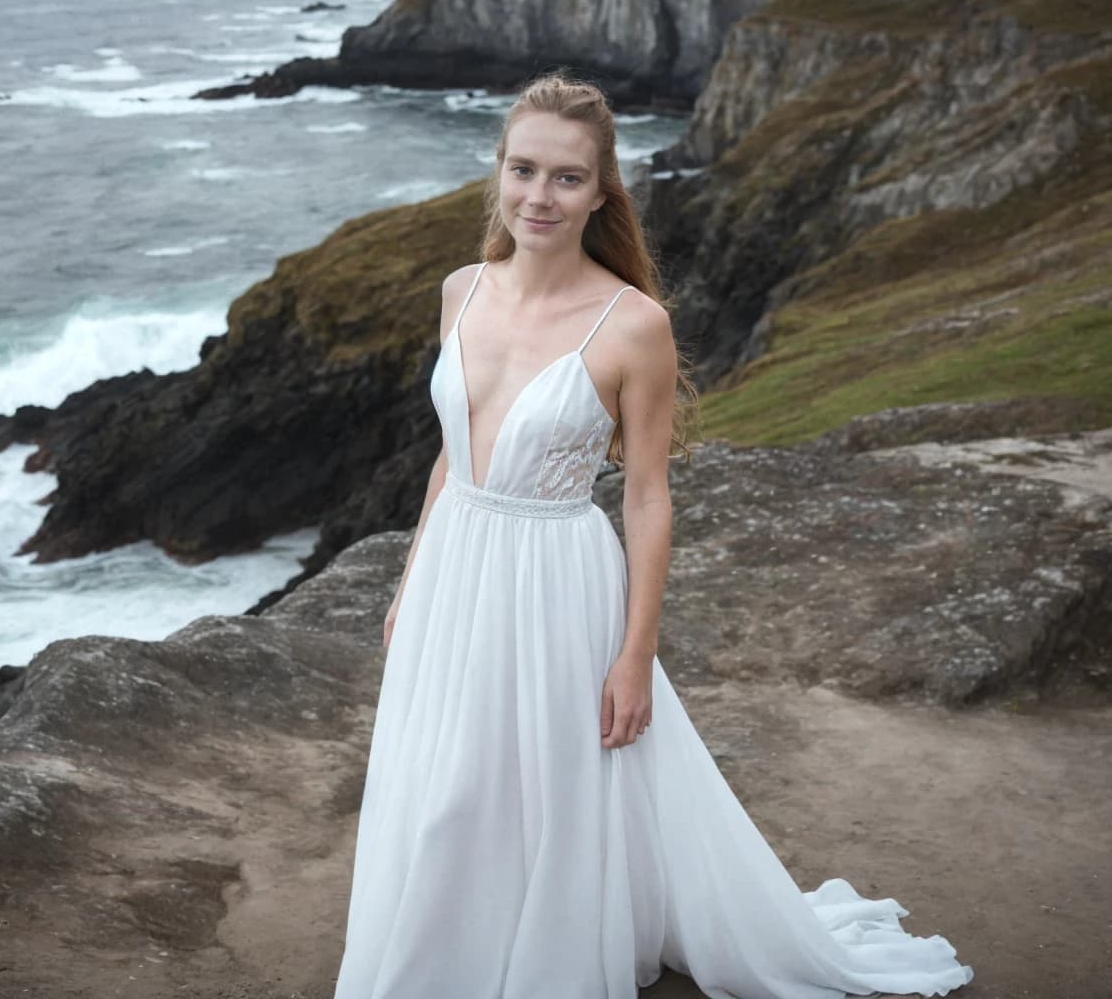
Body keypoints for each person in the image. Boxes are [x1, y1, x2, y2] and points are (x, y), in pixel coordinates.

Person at [332, 70, 976, 999]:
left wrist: (635, 657)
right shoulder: (459, 290)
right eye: (523, 170)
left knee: (539, 788)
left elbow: (645, 497)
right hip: (453, 569)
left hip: (556, 578)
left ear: (601, 193)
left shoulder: (634, 326)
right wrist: (408, 582)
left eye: (565, 178)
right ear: (498, 171)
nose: (538, 197)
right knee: (445, 781)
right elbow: (450, 458)